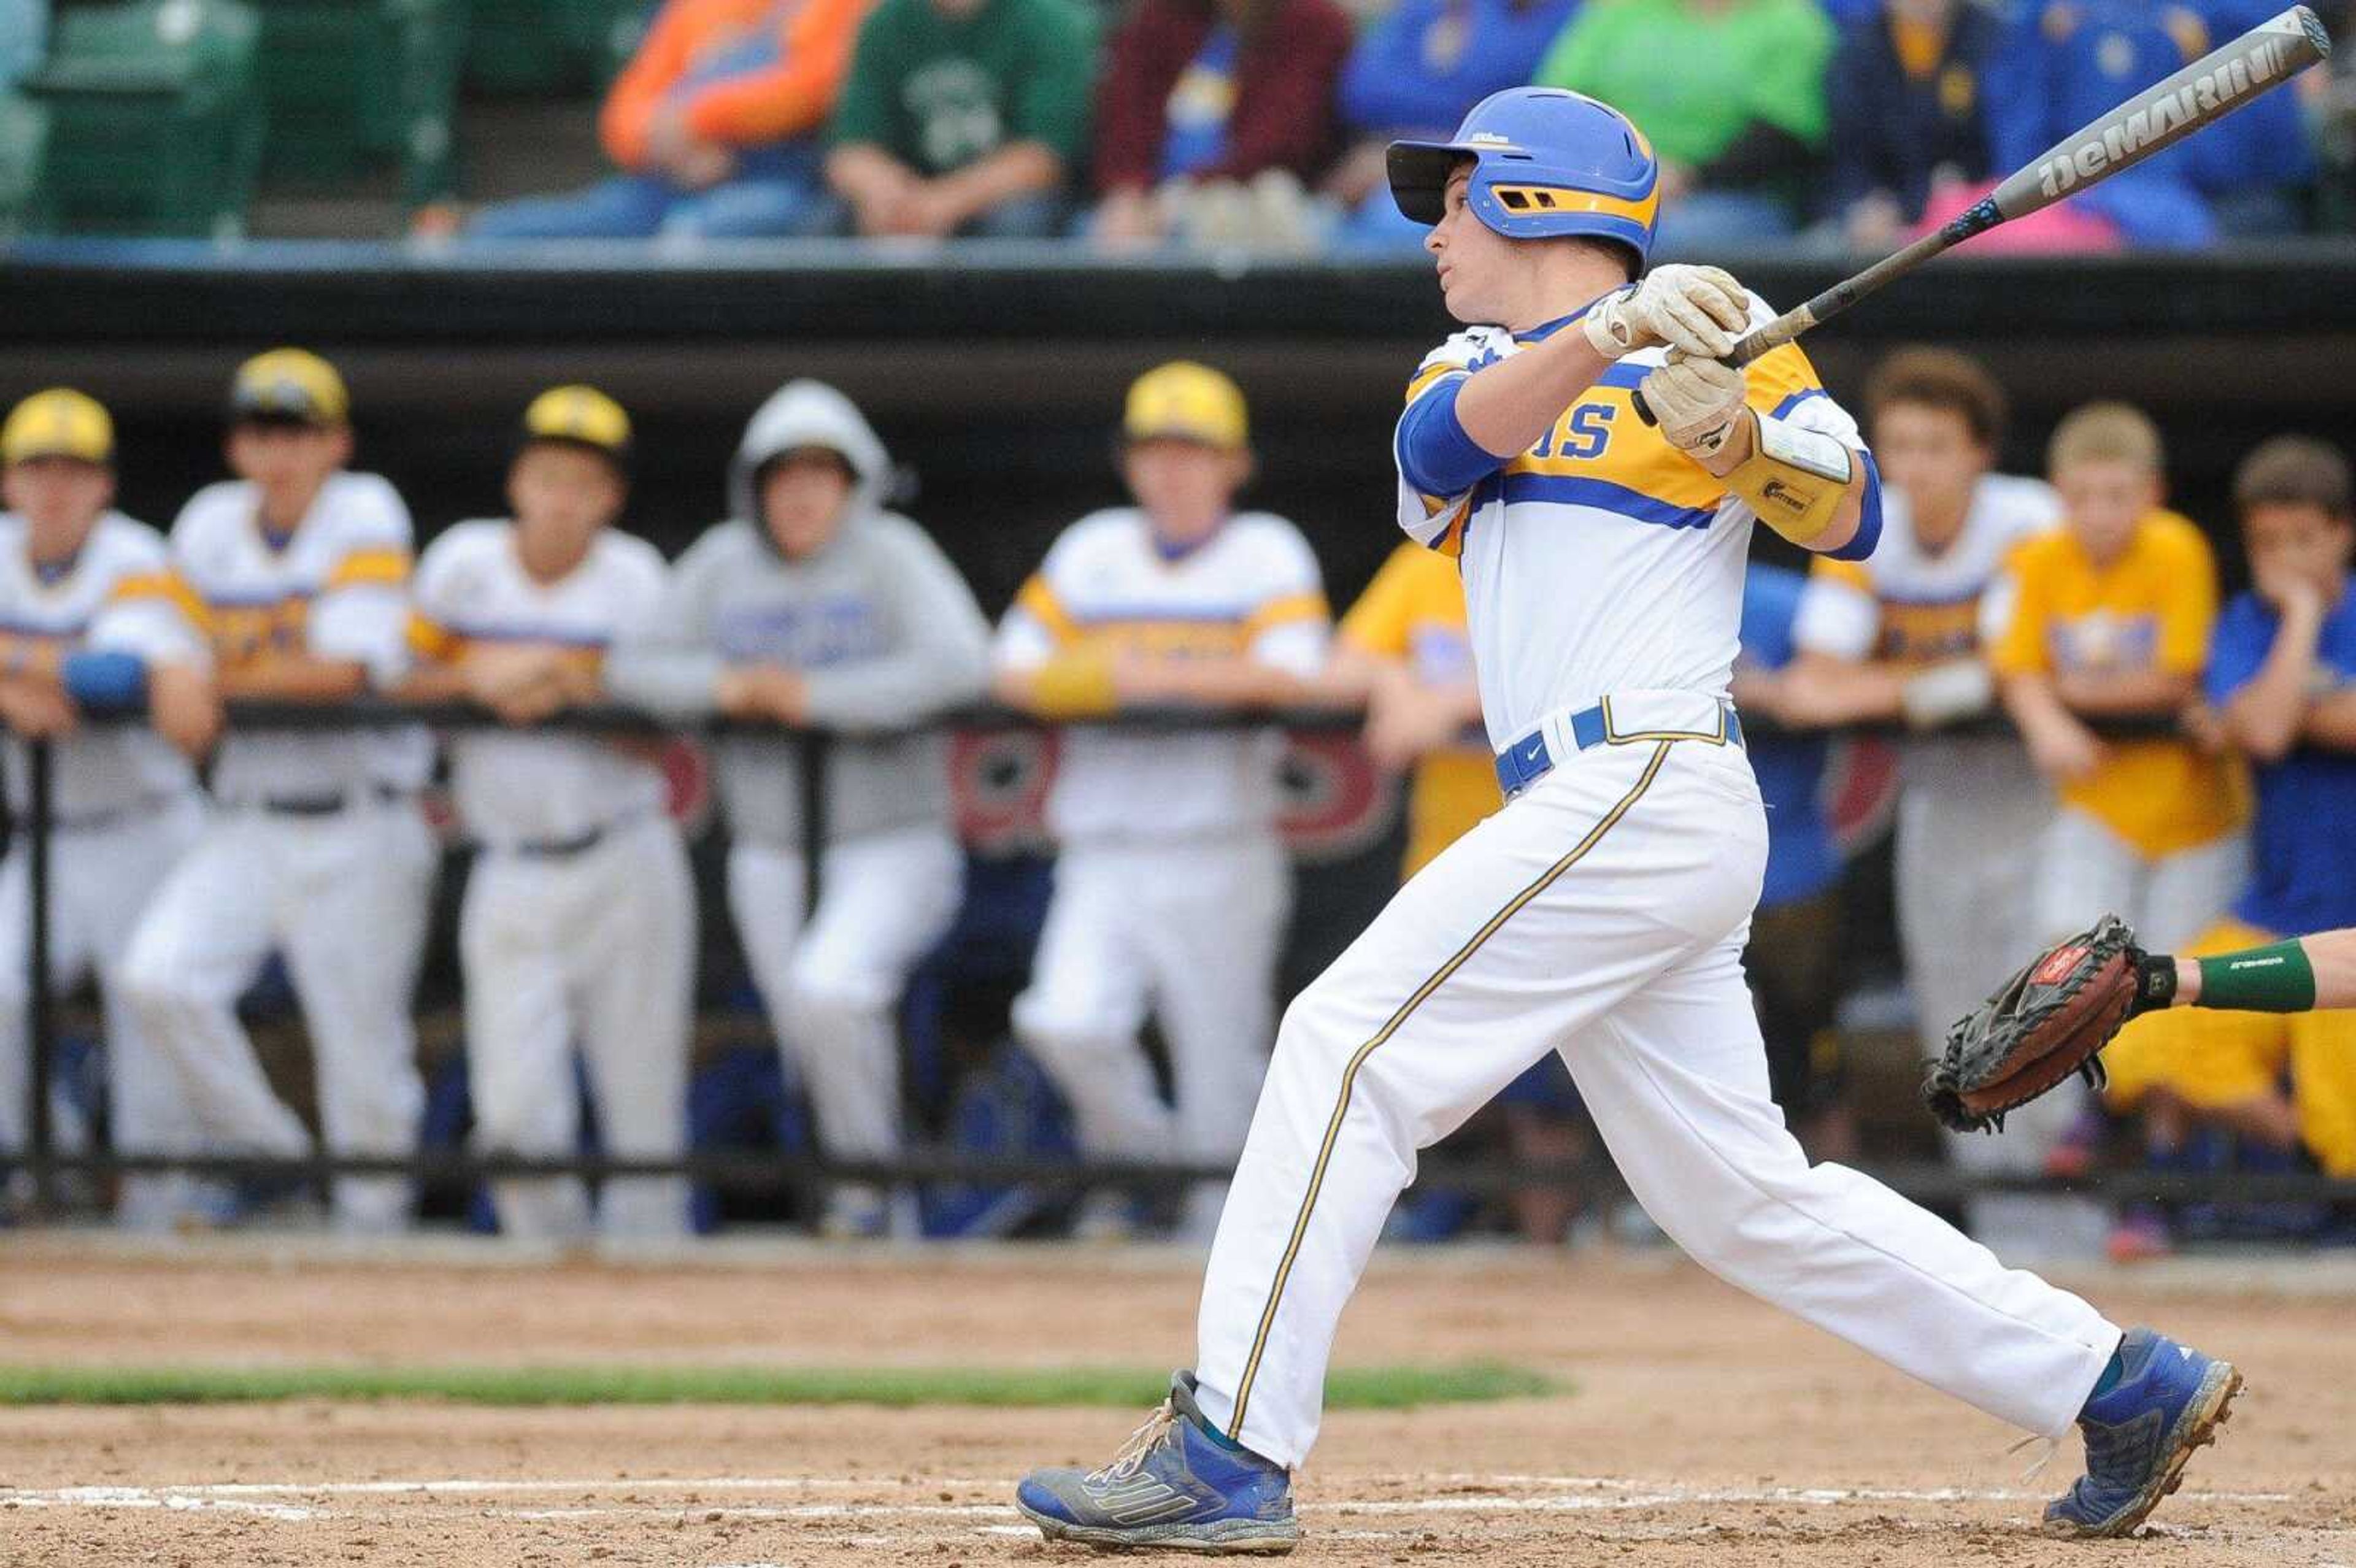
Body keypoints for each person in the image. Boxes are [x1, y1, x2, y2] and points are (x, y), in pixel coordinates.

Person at [1014, 86, 2237, 1554]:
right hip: (1598, 808)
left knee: (1343, 1045)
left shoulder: (1743, 346)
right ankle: (2111, 1382)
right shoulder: (1473, 358)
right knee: (1736, 1200)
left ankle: (1229, 1448)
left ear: (1534, 200)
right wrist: (1611, 335)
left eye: (1456, 197)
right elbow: (1440, 452)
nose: (1436, 229)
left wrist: (1739, 440)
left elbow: (1843, 511)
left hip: (1646, 779)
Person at [606, 380, 990, 1240]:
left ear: (855, 485)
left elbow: (963, 664)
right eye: (785, 474)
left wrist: (818, 697)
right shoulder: (721, 560)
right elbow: (632, 670)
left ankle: (872, 1197)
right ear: (756, 485)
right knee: (803, 1033)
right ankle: (856, 1206)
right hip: (770, 844)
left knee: (834, 991)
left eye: (824, 472)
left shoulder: (892, 551)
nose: (803, 492)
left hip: (894, 838)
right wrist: (727, 686)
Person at [993, 361, 1330, 1241]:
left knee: (1223, 1066)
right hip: (1102, 844)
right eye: (1157, 451)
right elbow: (1011, 666)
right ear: (1131, 462)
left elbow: (1293, 674)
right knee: (1064, 1022)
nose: (1174, 470)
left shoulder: (1267, 550)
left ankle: (1223, 1255)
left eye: (1195, 452)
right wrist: (1117, 676)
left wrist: (1155, 676)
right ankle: (1149, 1169)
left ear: (1234, 464)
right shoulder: (1093, 548)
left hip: (1219, 844)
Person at [122, 350, 439, 1236]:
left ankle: (378, 1258)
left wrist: (203, 675)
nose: (282, 450)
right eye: (264, 430)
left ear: (337, 441)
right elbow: (147, 636)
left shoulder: (365, 509)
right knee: (161, 978)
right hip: (251, 821)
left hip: (362, 822)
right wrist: (172, 665)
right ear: (236, 445)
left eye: (300, 430)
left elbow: (344, 667)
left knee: (363, 1060)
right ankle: (271, 1159)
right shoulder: (210, 522)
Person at [1766, 348, 2069, 1246]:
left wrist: (1911, 683)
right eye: (1898, 445)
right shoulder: (1868, 526)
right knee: (1955, 1018)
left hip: (2046, 803)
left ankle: (2079, 1227)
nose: (1915, 467)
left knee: (2056, 1002)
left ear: (1980, 451)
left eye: (1938, 445)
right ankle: (2006, 1242)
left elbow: (2028, 671)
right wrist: (1947, 687)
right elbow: (1816, 690)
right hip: (1939, 804)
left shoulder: (2031, 519)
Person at [399, 388, 693, 1243]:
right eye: (548, 475)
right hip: (509, 866)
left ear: (611, 498)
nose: (563, 496)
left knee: (643, 1102)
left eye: (585, 482)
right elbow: (393, 683)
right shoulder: (464, 563)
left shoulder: (637, 577)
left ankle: (659, 1302)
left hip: (625, 855)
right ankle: (551, 1285)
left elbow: (669, 736)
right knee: (516, 1114)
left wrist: (573, 689)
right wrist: (476, 678)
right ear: (518, 481)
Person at [2096, 437, 2356, 1247]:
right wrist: (2303, 628)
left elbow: (2264, 724)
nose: (2283, 561)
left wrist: (2253, 712)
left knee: (2346, 1112)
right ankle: (2321, 1179)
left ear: (2343, 533)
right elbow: (2277, 732)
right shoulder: (2246, 623)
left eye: (2303, 541)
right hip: (2271, 915)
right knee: (2138, 1046)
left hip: (2351, 925)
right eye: (2267, 543)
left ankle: (2335, 1180)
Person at [0, 390, 217, 1230]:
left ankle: (159, 1215)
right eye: (37, 469)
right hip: (46, 836)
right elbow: (78, 666)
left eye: (75, 470)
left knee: (147, 1012)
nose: (55, 487)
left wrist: (24, 671)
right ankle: (33, 1174)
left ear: (104, 486)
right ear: (11, 483)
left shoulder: (138, 555)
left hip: (146, 828)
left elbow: (122, 677)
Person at [1994, 403, 2247, 954]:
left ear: (2153, 491)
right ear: (2058, 491)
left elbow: (2179, 678)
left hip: (2194, 819)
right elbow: (2015, 668)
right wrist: (2045, 723)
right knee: (2074, 967)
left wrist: (2062, 689)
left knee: (2177, 983)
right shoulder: (2037, 558)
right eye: (2082, 496)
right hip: (2095, 807)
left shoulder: (2177, 547)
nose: (2100, 513)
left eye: (2118, 495)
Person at [460, 0, 870, 241]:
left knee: (713, 232)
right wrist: (657, 138)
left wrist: (695, 121)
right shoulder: (698, 8)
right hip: (664, 182)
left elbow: (816, 87)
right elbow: (623, 114)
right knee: (512, 234)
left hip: (786, 184)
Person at [1729, 561, 1857, 1162]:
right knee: (1695, 1061)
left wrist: (1772, 690)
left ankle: (1835, 1210)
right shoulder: (1632, 587)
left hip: (1790, 869)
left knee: (1811, 1065)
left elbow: (1841, 682)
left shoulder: (1792, 601)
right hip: (1669, 870)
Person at [1533, 0, 1833, 252]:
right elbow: (1561, 102)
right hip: (1610, 182)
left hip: (1730, 194)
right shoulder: (1619, 10)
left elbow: (1782, 136)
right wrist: (1631, 168)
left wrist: (1687, 177)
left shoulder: (1791, 23)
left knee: (1635, 238)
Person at [820, 0, 1098, 240]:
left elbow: (1045, 158)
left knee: (1018, 225)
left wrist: (942, 203)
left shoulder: (1049, 22)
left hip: (1005, 197)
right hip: (910, 189)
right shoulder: (884, 22)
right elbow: (849, 147)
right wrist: (886, 195)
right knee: (823, 226)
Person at [1089, 0, 1354, 252]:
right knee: (1113, 236)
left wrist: (1176, 198)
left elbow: (1281, 141)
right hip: (1147, 197)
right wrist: (1128, 193)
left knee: (1251, 203)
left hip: (1255, 190)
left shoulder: (1315, 23)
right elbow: (1125, 121)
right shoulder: (1159, 18)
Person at [1323, 0, 1579, 253]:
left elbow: (1499, 95)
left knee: (1394, 223)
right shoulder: (1424, 10)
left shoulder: (1566, 14)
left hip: (1482, 169)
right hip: (1384, 156)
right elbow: (1364, 92)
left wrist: (1418, 152)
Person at [1819, 0, 2001, 250]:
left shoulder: (1991, 42)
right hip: (1874, 215)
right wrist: (1864, 205)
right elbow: (1847, 155)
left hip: (1973, 214)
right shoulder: (1858, 51)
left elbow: (2001, 147)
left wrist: (1943, 195)